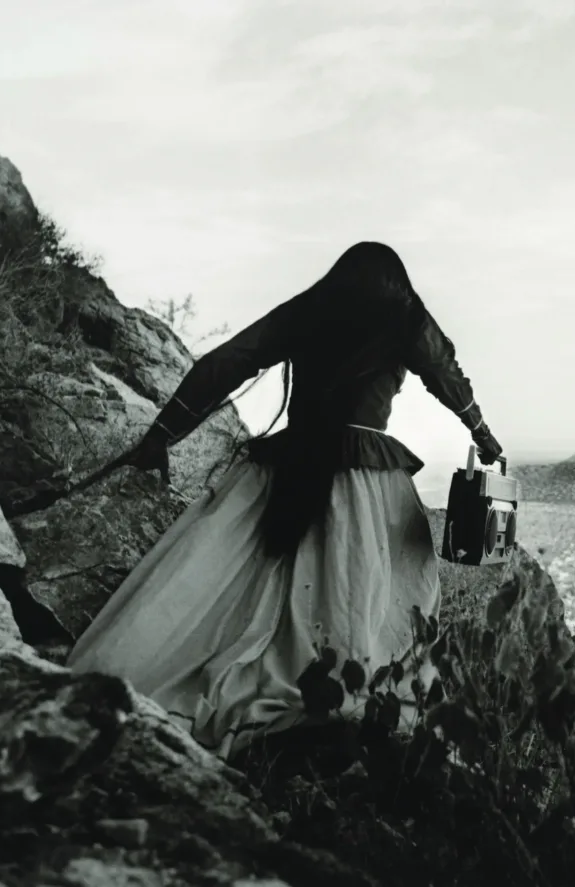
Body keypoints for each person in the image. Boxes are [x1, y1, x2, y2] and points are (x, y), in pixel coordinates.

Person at [66, 242, 503, 760]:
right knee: (374, 596)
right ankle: (342, 700)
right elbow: (446, 374)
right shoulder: (405, 316)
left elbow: (228, 362)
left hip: (285, 467)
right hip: (365, 481)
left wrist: (164, 433)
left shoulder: (311, 308)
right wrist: (484, 435)